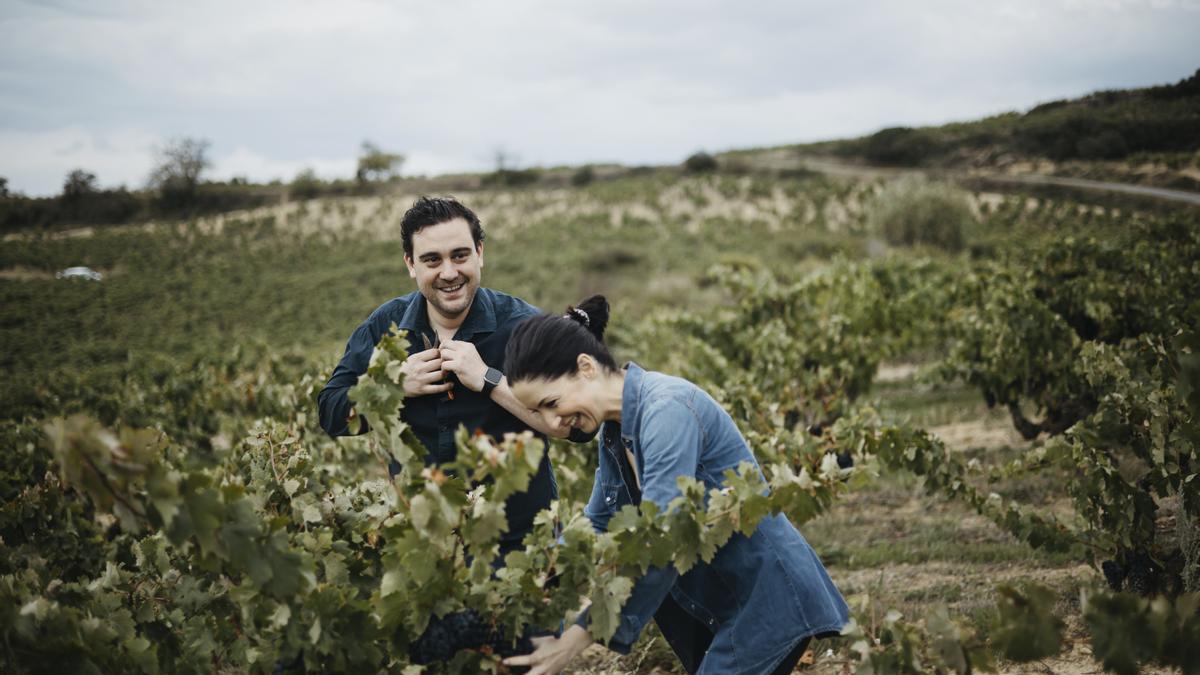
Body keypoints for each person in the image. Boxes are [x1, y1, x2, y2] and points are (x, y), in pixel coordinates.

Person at [500, 296, 850, 675]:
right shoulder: (615, 432)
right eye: (540, 412)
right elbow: (597, 520)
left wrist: (578, 637)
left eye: (552, 402)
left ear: (585, 367)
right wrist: (542, 576)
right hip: (725, 602)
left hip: (765, 601)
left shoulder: (666, 412)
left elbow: (664, 541)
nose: (552, 422)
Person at [317, 195, 563, 554]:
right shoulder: (385, 327)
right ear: (410, 265)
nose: (449, 272)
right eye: (432, 260)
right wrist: (390, 386)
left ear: (480, 253)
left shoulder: (526, 327)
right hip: (425, 546)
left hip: (520, 544)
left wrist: (489, 380)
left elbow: (572, 426)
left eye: (460, 255)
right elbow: (330, 411)